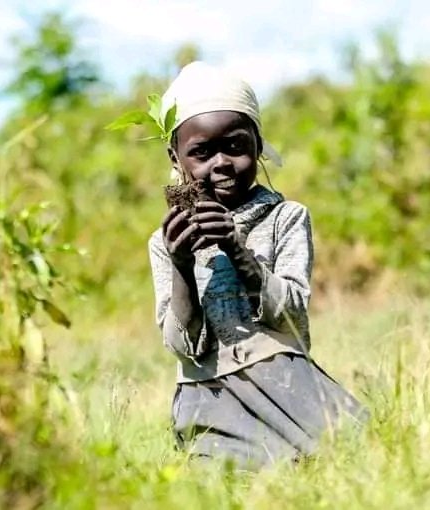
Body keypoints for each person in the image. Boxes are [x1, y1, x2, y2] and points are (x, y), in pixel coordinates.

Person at [148, 62, 367, 468]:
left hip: (286, 384)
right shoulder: (166, 242)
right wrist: (181, 265)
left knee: (354, 451)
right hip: (209, 397)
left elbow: (292, 312)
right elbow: (181, 348)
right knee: (226, 478)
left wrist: (236, 249)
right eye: (201, 152)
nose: (221, 163)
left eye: (235, 146)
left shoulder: (286, 217)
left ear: (258, 144)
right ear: (176, 157)